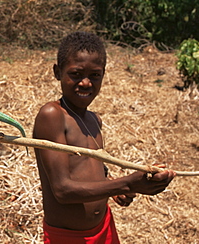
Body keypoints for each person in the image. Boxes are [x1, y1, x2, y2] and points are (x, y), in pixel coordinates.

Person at [33, 32, 176, 244]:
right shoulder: (52, 116)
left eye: (95, 75)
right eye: (76, 74)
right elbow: (62, 190)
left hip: (104, 229)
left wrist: (114, 189)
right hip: (68, 238)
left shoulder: (94, 120)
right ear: (57, 72)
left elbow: (93, 173)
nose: (85, 83)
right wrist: (126, 184)